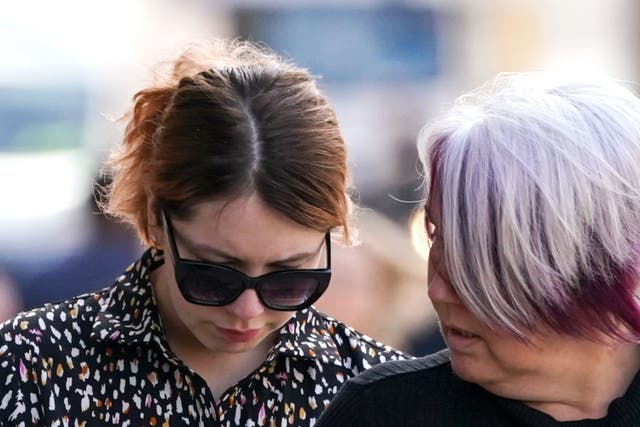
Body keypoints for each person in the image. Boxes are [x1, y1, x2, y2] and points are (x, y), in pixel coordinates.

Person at [0, 40, 409, 427]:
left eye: (289, 278)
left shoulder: (377, 391)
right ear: (157, 219)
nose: (248, 312)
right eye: (214, 276)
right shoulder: (30, 363)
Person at [316, 72, 640, 426]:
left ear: (598, 261)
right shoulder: (384, 413)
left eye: (481, 259)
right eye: (437, 236)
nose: (438, 289)